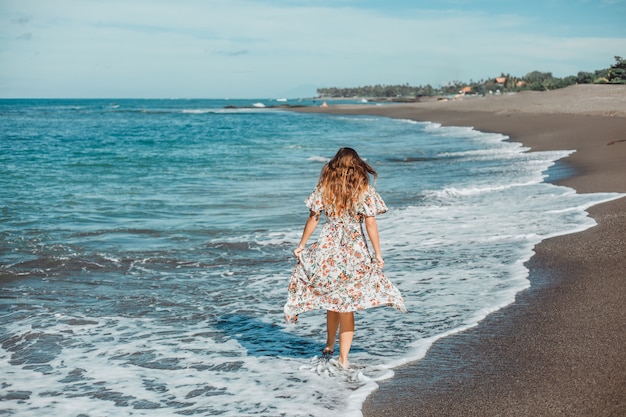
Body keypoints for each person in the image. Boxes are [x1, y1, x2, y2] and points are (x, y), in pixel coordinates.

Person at [284, 147, 407, 369]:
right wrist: (378, 253)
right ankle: (343, 358)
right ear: (357, 165)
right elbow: (370, 223)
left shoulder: (325, 187)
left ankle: (330, 344)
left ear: (335, 164)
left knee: (333, 298)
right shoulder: (363, 189)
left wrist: (302, 244)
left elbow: (314, 218)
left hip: (327, 247)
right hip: (355, 250)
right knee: (346, 304)